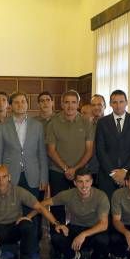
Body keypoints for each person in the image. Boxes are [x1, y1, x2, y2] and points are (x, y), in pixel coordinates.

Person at [0, 92, 48, 230]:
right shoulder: (2, 126)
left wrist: (44, 177)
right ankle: (9, 249)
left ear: (27, 104)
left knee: (33, 212)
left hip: (33, 175)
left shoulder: (37, 126)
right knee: (8, 213)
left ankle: (32, 248)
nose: (20, 104)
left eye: (23, 101)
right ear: (10, 106)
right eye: (16, 102)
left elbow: (42, 153)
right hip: (9, 176)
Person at [40, 168, 109, 259]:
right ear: (75, 183)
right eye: (80, 181)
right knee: (56, 236)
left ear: (91, 182)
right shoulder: (68, 194)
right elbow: (41, 205)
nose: (84, 185)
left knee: (103, 239)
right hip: (75, 227)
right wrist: (56, 223)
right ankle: (72, 257)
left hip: (94, 229)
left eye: (87, 181)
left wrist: (84, 234)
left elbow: (104, 225)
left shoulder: (101, 196)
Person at [46, 91, 95, 222]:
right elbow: (51, 150)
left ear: (78, 104)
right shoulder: (53, 123)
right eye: (66, 102)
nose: (70, 106)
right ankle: (58, 235)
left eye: (73, 102)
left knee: (81, 205)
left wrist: (75, 169)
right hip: (57, 171)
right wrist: (66, 169)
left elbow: (89, 150)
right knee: (57, 206)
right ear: (61, 104)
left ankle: (78, 233)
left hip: (81, 173)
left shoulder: (86, 123)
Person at [95, 89, 130, 197]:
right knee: (108, 210)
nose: (118, 105)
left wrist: (124, 171)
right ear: (110, 104)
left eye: (121, 102)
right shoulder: (102, 122)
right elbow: (100, 149)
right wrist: (114, 173)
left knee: (129, 210)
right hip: (107, 175)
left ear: (126, 103)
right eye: (115, 102)